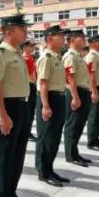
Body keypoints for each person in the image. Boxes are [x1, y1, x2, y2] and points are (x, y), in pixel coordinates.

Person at [0, 14, 34, 197]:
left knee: (17, 154)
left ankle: (12, 193)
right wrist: (2, 115)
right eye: (22, 28)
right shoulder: (0, 54)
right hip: (6, 107)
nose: (26, 32)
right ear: (9, 31)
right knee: (5, 155)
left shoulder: (16, 54)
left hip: (21, 106)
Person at [35, 26, 69, 187]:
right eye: (60, 36)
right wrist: (45, 106)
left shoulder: (57, 57)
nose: (64, 39)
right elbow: (43, 83)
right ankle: (43, 171)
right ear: (50, 38)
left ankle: (50, 168)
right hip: (49, 99)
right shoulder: (46, 58)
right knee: (46, 137)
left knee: (54, 138)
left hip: (59, 97)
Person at [62, 30, 93, 167]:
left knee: (79, 124)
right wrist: (75, 97)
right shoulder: (70, 56)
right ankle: (70, 154)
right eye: (82, 37)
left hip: (83, 91)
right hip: (76, 92)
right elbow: (70, 78)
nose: (85, 40)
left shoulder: (79, 56)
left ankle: (75, 152)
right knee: (73, 125)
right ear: (73, 40)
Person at [22, 39, 38, 141]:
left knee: (31, 111)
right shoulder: (24, 59)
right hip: (28, 85)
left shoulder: (30, 58)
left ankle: (27, 131)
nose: (33, 48)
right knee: (27, 110)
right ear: (24, 47)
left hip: (32, 85)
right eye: (30, 46)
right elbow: (30, 74)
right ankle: (25, 132)